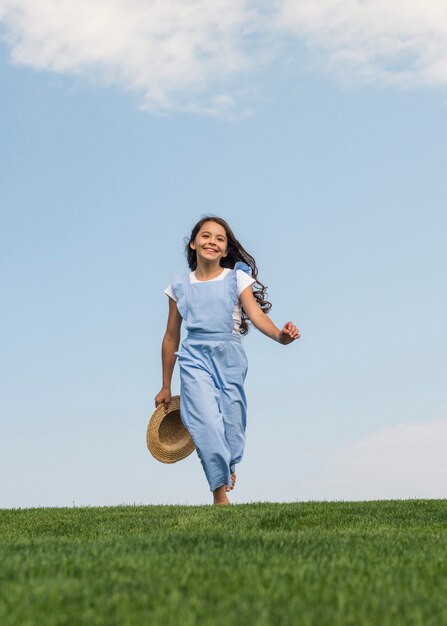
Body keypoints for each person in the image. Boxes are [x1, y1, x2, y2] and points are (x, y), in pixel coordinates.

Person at [155, 216, 300, 505]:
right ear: (194, 243)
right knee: (205, 423)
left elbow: (257, 316)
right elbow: (171, 337)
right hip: (194, 359)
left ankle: (228, 463)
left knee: (232, 428)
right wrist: (165, 386)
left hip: (229, 358)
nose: (212, 241)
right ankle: (219, 494)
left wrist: (280, 336)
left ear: (225, 250)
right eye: (206, 236)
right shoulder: (179, 287)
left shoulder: (237, 279)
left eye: (220, 239)